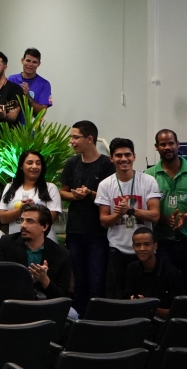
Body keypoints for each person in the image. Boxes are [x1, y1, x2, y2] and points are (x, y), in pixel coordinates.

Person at [60, 120, 116, 314]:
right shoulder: (72, 163)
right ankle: (78, 320)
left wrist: (90, 193)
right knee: (78, 282)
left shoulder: (107, 164)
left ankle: (96, 321)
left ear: (89, 139)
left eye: (76, 137)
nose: (72, 142)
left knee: (96, 282)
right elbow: (63, 192)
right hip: (75, 232)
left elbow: (111, 196)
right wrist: (74, 196)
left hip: (98, 233)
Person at [96, 137, 163, 299]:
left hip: (143, 251)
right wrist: (119, 214)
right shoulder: (105, 185)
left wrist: (131, 210)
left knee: (144, 296)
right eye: (118, 155)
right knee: (118, 297)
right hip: (117, 249)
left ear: (134, 156)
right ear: (111, 158)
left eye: (127, 155)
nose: (124, 159)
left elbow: (155, 216)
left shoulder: (148, 181)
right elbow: (104, 221)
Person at [147, 128, 187, 296]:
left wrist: (186, 217)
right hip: (163, 241)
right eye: (162, 144)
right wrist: (164, 219)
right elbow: (147, 209)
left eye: (171, 143)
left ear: (178, 145)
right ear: (156, 147)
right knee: (167, 291)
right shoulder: (149, 175)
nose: (167, 147)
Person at [0, 203, 73, 300]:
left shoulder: (61, 254)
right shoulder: (6, 243)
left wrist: (44, 280)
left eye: (30, 221)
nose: (23, 225)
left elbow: (63, 297)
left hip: (45, 304)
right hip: (13, 301)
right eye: (22, 220)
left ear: (44, 226)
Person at [0, 151, 62, 240]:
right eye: (30, 163)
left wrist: (34, 208)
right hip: (16, 241)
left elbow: (51, 219)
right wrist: (21, 210)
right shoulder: (10, 187)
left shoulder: (50, 188)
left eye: (38, 163)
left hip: (44, 241)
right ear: (21, 166)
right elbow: (3, 218)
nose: (34, 166)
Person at [124, 227, 184, 317]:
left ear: (155, 245)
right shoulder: (132, 268)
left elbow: (177, 311)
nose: (142, 249)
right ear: (133, 247)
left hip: (163, 322)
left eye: (147, 244)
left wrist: (148, 306)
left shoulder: (171, 272)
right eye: (137, 245)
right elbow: (126, 299)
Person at [7, 48, 52, 114]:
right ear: (22, 60)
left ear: (39, 64)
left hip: (32, 121)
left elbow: (42, 112)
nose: (30, 64)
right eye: (28, 61)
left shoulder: (45, 84)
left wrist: (28, 97)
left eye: (34, 62)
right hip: (11, 120)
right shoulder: (11, 79)